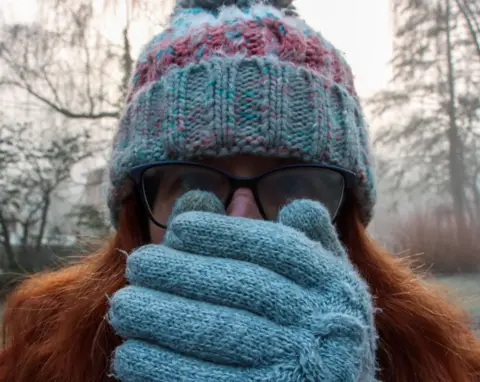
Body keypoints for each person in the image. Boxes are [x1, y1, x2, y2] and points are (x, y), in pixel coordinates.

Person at [1, 0, 479, 381]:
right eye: (191, 182)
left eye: (295, 185)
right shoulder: (35, 361)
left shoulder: (444, 360)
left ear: (347, 216)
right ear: (136, 214)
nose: (240, 222)